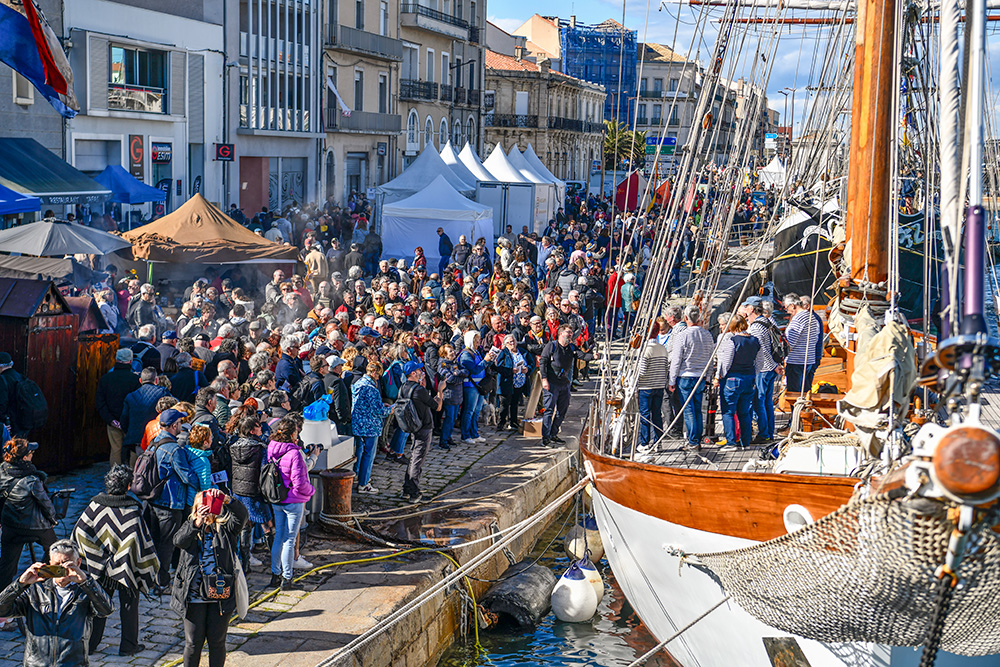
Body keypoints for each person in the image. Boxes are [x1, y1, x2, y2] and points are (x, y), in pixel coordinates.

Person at [73, 465, 159, 657]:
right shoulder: (133, 510)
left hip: (100, 569)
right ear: (128, 486)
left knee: (99, 605)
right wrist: (121, 558)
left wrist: (98, 558)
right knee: (130, 605)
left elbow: (79, 531)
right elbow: (141, 541)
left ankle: (92, 644)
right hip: (126, 567)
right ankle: (129, 646)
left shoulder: (94, 506)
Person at [0, 540, 113, 667]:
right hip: (37, 664)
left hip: (73, 664)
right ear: (49, 564)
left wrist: (86, 582)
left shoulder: (85, 592)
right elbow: (2, 610)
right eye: (56, 565)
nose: (62, 570)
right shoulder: (35, 590)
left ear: (78, 563)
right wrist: (20, 584)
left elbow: (106, 610)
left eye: (67, 564)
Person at [171, 489, 248, 667]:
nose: (205, 510)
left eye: (209, 505)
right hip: (194, 595)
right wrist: (196, 523)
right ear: (195, 508)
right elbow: (179, 541)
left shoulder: (226, 528)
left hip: (220, 595)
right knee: (193, 643)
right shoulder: (190, 526)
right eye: (201, 506)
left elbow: (242, 516)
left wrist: (227, 499)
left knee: (217, 642)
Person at [0, 440, 57, 588]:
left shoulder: (1, 471)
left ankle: (3, 598)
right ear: (25, 458)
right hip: (35, 526)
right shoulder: (32, 480)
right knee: (55, 549)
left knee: (7, 565)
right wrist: (52, 520)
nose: (33, 455)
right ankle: (45, 580)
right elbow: (46, 505)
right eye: (31, 453)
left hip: (10, 526)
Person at [149, 408, 196, 588]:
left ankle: (153, 578)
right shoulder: (174, 449)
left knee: (155, 541)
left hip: (154, 500)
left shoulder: (155, 442)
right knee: (167, 544)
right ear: (174, 425)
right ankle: (162, 582)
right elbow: (187, 477)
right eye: (179, 424)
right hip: (170, 502)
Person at [266, 416, 314, 589]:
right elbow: (300, 483)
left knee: (278, 535)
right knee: (290, 539)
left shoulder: (271, 448)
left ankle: (275, 575)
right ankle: (287, 578)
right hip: (293, 500)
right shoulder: (295, 453)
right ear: (294, 434)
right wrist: (312, 491)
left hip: (277, 498)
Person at [227, 408, 270, 571]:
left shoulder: (234, 446)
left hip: (239, 491)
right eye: (259, 426)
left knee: (245, 526)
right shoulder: (259, 447)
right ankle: (276, 566)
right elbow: (265, 470)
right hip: (255, 492)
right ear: (252, 430)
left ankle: (244, 564)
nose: (261, 428)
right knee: (267, 524)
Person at [668, 305, 715, 450]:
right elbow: (710, 358)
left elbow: (676, 359)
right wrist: (708, 377)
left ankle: (693, 441)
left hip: (686, 376)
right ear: (699, 318)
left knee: (688, 410)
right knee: (697, 409)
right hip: (700, 377)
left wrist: (671, 380)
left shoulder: (683, 335)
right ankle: (696, 438)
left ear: (686, 318)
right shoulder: (707, 335)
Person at [714, 315, 760, 451]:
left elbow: (725, 363)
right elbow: (760, 361)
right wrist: (754, 374)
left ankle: (731, 442)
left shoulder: (732, 340)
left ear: (732, 326)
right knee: (744, 412)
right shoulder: (755, 341)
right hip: (749, 378)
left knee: (728, 411)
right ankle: (746, 442)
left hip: (733, 379)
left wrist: (718, 377)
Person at [539, 325, 590, 447]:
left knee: (562, 410)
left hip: (564, 383)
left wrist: (594, 356)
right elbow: (543, 362)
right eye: (568, 332)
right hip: (552, 382)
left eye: (571, 333)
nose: (571, 334)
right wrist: (544, 379)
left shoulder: (571, 347)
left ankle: (553, 433)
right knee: (549, 410)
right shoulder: (552, 346)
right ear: (561, 333)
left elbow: (582, 356)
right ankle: (545, 437)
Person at [398, 360, 441, 502]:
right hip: (423, 427)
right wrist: (440, 391)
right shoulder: (419, 390)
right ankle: (414, 493)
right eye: (419, 371)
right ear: (413, 373)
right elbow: (437, 407)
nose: (421, 373)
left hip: (413, 426)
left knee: (413, 458)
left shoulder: (403, 387)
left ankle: (406, 489)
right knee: (417, 460)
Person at [351, 361, 391, 494]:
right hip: (370, 427)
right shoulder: (371, 389)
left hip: (358, 424)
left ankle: (357, 478)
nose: (379, 378)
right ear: (374, 373)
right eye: (378, 375)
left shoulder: (358, 384)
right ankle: (364, 484)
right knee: (368, 455)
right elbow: (381, 411)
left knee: (359, 454)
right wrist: (391, 409)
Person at [96, 348, 141, 466]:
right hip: (131, 422)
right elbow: (138, 403)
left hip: (113, 420)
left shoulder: (106, 379)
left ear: (116, 359)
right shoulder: (136, 380)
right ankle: (133, 479)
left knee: (115, 450)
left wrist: (111, 420)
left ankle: (114, 479)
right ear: (131, 361)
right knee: (133, 451)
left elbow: (100, 402)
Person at [745, 301, 780, 444]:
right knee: (767, 402)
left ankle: (764, 433)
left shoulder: (756, 327)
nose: (746, 315)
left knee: (759, 402)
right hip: (770, 368)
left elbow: (760, 350)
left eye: (747, 309)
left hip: (763, 369)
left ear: (752, 309)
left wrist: (771, 365)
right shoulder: (767, 321)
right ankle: (769, 432)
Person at [121, 368, 171, 466]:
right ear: (156, 380)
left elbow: (124, 419)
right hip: (155, 437)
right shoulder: (163, 392)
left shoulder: (130, 396)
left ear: (140, 380)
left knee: (135, 466)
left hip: (136, 438)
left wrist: (129, 432)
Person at [459, 331, 497, 445]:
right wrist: (485, 360)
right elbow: (475, 369)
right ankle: (465, 435)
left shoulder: (476, 352)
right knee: (469, 411)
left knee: (476, 411)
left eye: (479, 340)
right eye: (476, 341)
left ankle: (474, 433)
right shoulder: (466, 354)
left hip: (480, 386)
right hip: (471, 386)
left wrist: (489, 360)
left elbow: (482, 366)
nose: (478, 343)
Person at [636, 324, 669, 450]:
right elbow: (666, 367)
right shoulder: (662, 348)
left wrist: (635, 379)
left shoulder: (645, 349)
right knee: (656, 414)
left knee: (645, 415)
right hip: (659, 386)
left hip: (646, 386)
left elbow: (642, 371)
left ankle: (644, 443)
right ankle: (658, 442)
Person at [784, 294, 822, 393]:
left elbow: (790, 343)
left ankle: (796, 409)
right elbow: (816, 338)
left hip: (796, 362)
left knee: (794, 393)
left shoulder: (798, 319)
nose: (787, 311)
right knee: (805, 392)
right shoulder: (813, 318)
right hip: (809, 360)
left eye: (786, 307)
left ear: (792, 305)